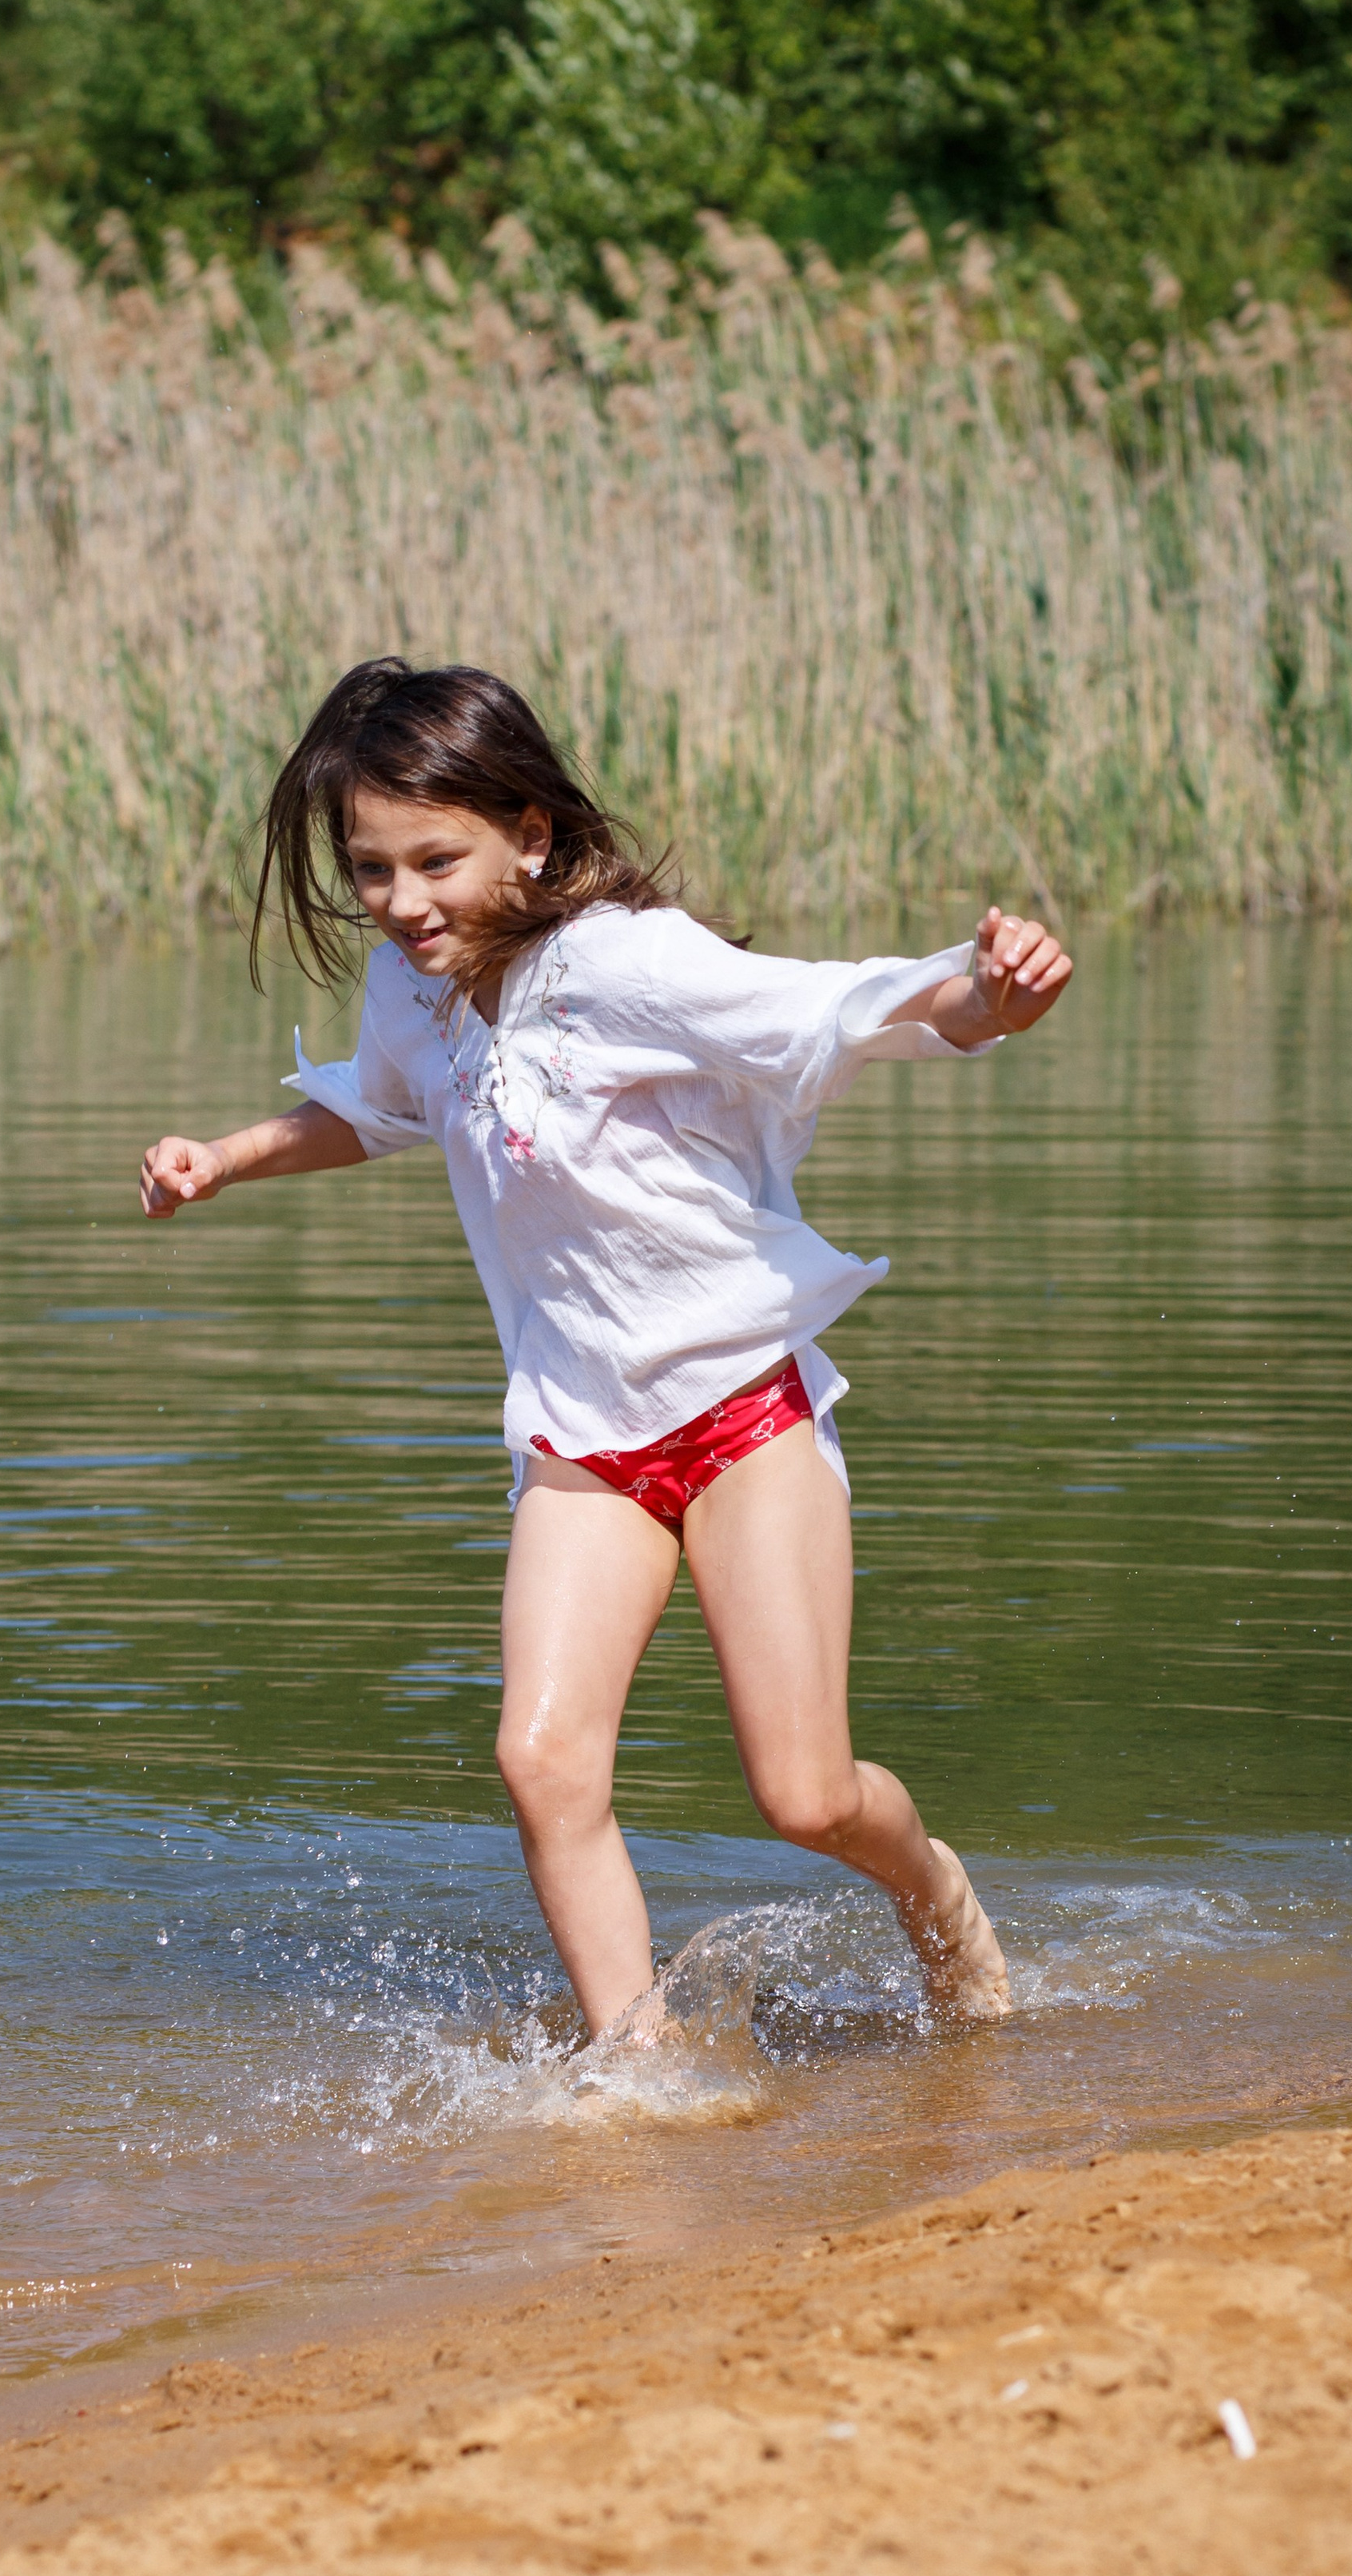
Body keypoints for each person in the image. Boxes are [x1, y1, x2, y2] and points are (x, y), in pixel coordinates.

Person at [141, 662, 1073, 2040]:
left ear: (530, 833)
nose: (403, 905)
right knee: (541, 1760)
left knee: (806, 1797)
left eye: (436, 862)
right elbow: (381, 1111)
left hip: (742, 1415)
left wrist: (992, 996)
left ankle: (933, 1892)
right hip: (583, 1433)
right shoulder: (415, 993)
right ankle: (633, 2065)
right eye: (372, 870)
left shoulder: (626, 962)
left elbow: (838, 1011)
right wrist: (224, 1158)